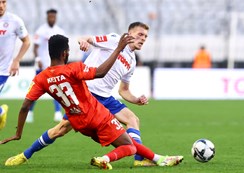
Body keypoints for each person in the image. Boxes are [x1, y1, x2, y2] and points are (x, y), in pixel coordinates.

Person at [1, 34, 183, 170]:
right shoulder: (74, 69)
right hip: (97, 116)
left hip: (78, 122)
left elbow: (25, 106)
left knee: (59, 131)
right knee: (128, 145)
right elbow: (100, 72)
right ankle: (105, 159)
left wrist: (18, 133)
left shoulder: (41, 78)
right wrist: (118, 49)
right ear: (65, 53)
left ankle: (24, 155)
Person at [26, 8, 65, 123]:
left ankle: (58, 113)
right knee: (35, 91)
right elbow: (35, 47)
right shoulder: (41, 31)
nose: (52, 18)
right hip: (42, 67)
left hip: (55, 68)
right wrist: (38, 59)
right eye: (50, 17)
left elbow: (63, 49)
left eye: (54, 17)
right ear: (47, 17)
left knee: (57, 90)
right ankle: (30, 112)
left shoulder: (60, 31)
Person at [0, 0, 30, 130]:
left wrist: (17, 60)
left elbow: (27, 41)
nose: (1, 5)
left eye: (3, 2)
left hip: (2, 70)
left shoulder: (14, 21)